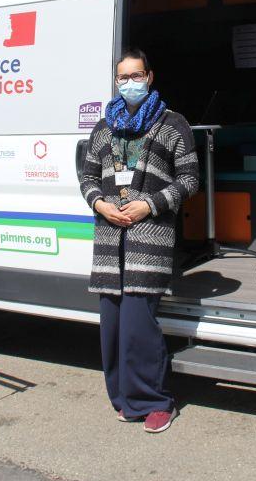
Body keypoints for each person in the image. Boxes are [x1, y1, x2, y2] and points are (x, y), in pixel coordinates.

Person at [80, 49, 199, 434]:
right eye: (122, 77)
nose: (129, 83)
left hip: (149, 239)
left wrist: (149, 205)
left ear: (149, 77)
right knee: (111, 328)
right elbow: (87, 177)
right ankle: (124, 399)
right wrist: (99, 202)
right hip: (108, 238)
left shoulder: (172, 124)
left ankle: (156, 402)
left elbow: (189, 180)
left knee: (138, 326)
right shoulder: (104, 127)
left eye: (136, 75)